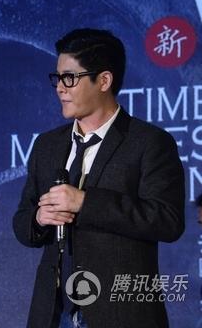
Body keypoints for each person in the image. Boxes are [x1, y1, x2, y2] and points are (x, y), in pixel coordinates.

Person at [13, 28, 185, 328]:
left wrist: (85, 203)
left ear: (104, 81)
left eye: (70, 78)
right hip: (54, 314)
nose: (60, 88)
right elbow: (22, 222)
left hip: (120, 314)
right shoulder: (47, 145)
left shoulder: (149, 142)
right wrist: (39, 219)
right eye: (57, 78)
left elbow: (168, 220)